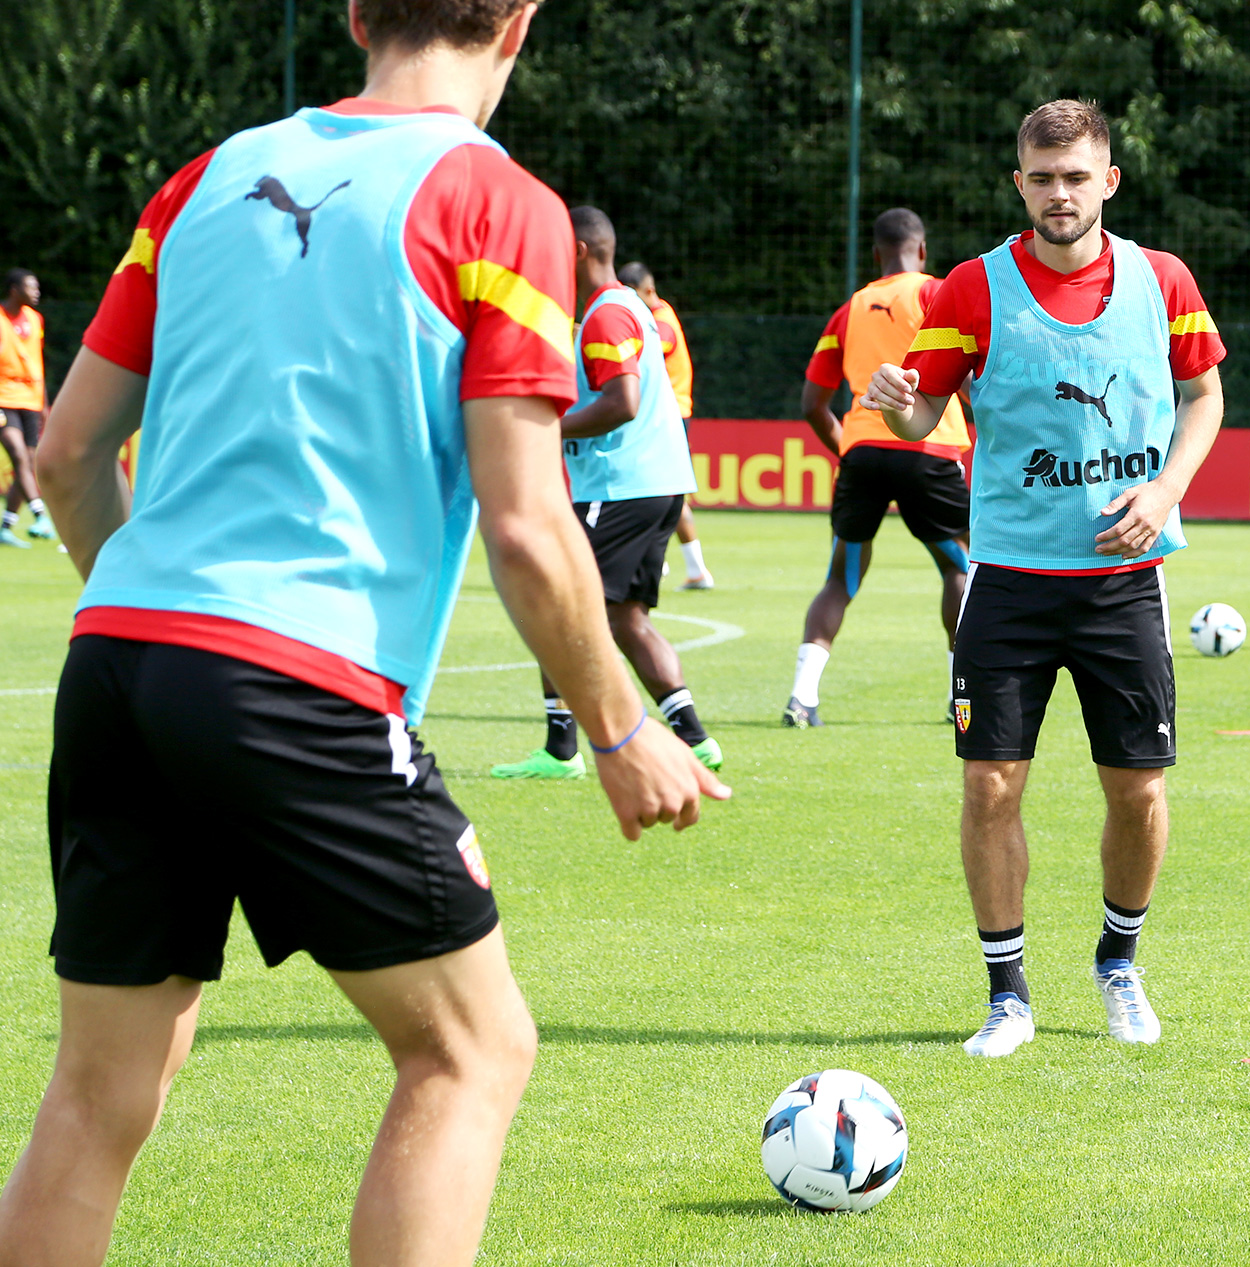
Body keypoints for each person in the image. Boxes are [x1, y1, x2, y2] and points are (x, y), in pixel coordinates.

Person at [0, 1, 728, 1260]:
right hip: (297, 678)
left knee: (103, 1087)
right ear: (517, 20)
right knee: (469, 1048)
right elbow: (525, 520)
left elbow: (64, 455)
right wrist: (621, 729)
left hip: (115, 657)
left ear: (351, 14)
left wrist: (151, 626)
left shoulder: (202, 181)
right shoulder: (500, 205)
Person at [860, 100, 1226, 1057]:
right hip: (1011, 582)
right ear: (1017, 182)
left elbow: (1205, 393)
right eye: (1041, 177)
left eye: (1076, 177)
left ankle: (1119, 962)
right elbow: (917, 414)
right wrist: (898, 402)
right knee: (989, 787)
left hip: (1124, 579)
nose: (1058, 194)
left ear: (1108, 180)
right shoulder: (970, 289)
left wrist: (1168, 489)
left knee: (1138, 793)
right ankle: (1006, 993)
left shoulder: (1165, 279)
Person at [492, 208, 723, 780]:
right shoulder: (626, 307)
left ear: (575, 250)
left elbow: (621, 401)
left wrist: (548, 429)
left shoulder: (604, 316)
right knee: (625, 621)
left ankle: (560, 750)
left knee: (553, 602)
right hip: (657, 482)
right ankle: (694, 740)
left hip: (622, 486)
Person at [786, 208, 972, 728]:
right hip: (929, 450)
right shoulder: (936, 292)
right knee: (959, 567)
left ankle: (802, 698)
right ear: (923, 249)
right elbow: (967, 374)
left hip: (864, 452)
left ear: (875, 255)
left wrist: (850, 448)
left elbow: (811, 403)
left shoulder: (851, 307)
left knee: (841, 577)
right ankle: (962, 701)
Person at [617, 260, 714, 590]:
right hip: (666, 416)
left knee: (666, 492)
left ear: (649, 291)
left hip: (667, 418)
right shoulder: (654, 317)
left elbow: (650, 351)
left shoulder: (661, 323)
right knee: (664, 491)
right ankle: (682, 566)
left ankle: (683, 566)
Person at [0, 268, 55, 547]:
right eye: (30, 287)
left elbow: (37, 362)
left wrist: (44, 404)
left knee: (28, 462)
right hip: (3, 399)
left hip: (30, 400)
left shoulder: (35, 319)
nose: (37, 292)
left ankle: (6, 526)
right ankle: (40, 514)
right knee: (19, 454)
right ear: (13, 289)